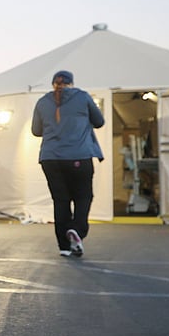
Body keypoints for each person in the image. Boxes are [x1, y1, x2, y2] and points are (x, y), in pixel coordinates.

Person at [31, 70, 105, 257]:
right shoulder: (82, 97)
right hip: (78, 156)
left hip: (50, 159)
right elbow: (99, 122)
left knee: (60, 200)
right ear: (71, 83)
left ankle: (64, 246)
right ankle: (77, 230)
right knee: (83, 197)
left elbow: (36, 131)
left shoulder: (42, 102)